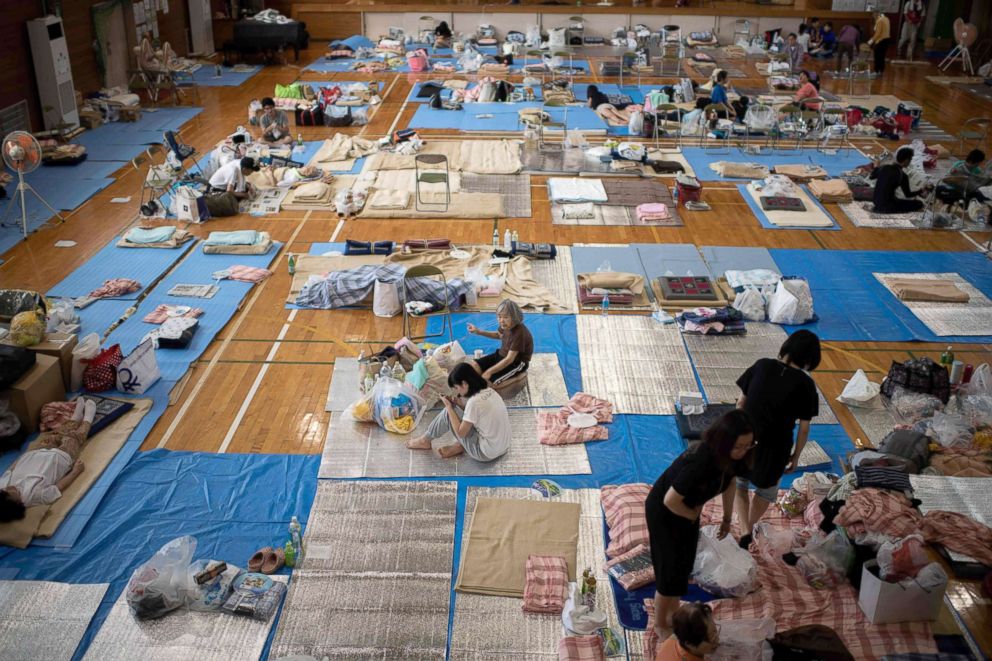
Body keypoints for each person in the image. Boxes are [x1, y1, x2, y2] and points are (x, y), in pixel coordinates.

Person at [644, 410, 755, 637]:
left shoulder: (734, 459)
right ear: (724, 442)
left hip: (689, 512)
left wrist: (726, 518)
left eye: (748, 445)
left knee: (683, 565)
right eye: (738, 446)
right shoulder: (700, 461)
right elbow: (670, 500)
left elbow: (730, 483)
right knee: (669, 571)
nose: (743, 451)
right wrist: (692, 515)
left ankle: (673, 611)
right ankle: (660, 625)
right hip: (665, 513)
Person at [734, 330, 820, 550]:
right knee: (765, 491)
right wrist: (796, 456)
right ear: (809, 359)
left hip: (746, 440)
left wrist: (735, 438)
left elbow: (739, 406)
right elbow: (804, 428)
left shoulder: (761, 365)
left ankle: (742, 529)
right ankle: (750, 527)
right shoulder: (806, 385)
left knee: (740, 484)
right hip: (776, 447)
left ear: (786, 348)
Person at [0, 398, 96, 522]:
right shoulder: (34, 496)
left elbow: (11, 468)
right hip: (61, 457)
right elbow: (58, 487)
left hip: (37, 452)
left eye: (5, 490)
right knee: (74, 437)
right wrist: (75, 472)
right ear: (19, 503)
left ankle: (76, 417)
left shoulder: (2, 487)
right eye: (11, 493)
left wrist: (22, 458)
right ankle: (88, 418)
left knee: (56, 434)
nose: (9, 488)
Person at [406, 362, 511, 461]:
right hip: (503, 447)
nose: (457, 391)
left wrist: (449, 407)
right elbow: (475, 412)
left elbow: (461, 433)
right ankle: (459, 446)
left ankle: (425, 440)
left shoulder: (473, 402)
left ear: (464, 384)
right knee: (458, 411)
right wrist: (458, 404)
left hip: (485, 454)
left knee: (448, 413)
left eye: (457, 387)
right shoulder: (490, 391)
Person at [466, 299, 533, 385]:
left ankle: (519, 377)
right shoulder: (505, 325)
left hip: (516, 362)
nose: (501, 320)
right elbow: (499, 335)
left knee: (490, 384)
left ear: (515, 317)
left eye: (506, 317)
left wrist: (489, 372)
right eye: (499, 316)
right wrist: (478, 331)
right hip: (501, 355)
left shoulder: (520, 333)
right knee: (473, 365)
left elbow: (509, 359)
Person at [655, 602, 720, 661]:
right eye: (711, 639)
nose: (717, 640)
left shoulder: (681, 634)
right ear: (689, 644)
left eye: (715, 631)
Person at [870, 147, 927, 213]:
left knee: (894, 198)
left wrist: (876, 166)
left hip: (876, 201)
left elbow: (872, 176)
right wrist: (921, 191)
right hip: (888, 206)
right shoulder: (903, 175)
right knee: (919, 203)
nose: (910, 162)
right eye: (910, 160)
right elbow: (908, 195)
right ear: (906, 160)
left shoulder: (884, 167)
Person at [867, 9, 892, 74]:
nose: (873, 17)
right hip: (887, 40)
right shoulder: (886, 19)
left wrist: (871, 41)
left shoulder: (879, 21)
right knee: (882, 56)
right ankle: (881, 71)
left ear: (876, 14)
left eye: (873, 15)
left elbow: (878, 33)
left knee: (877, 56)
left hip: (881, 40)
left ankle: (876, 71)